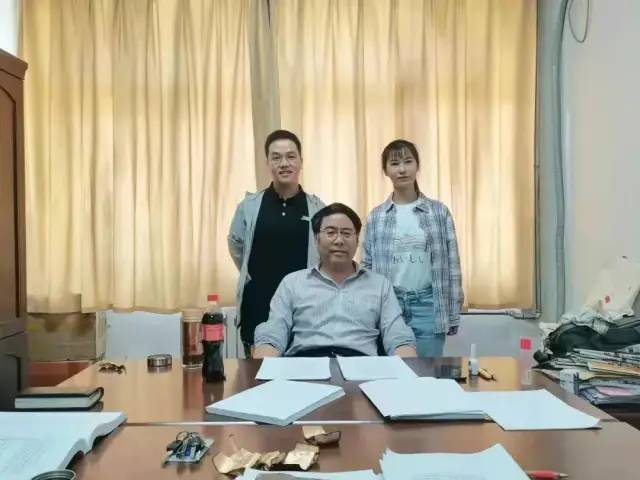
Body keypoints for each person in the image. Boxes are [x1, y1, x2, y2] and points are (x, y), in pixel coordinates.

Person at [253, 203, 417, 358]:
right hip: (306, 364)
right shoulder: (292, 283)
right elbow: (274, 333)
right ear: (316, 238)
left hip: (361, 365)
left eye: (346, 233)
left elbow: (398, 336)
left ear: (357, 239)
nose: (339, 241)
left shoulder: (380, 285)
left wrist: (407, 369)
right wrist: (263, 367)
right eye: (330, 232)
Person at [362, 139, 464, 357]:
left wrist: (453, 311)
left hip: (428, 304)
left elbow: (452, 264)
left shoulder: (438, 212)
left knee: (426, 371)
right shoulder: (376, 216)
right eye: (394, 163)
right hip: (389, 305)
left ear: (417, 166)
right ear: (385, 171)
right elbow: (367, 266)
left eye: (408, 161)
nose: (402, 169)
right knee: (390, 371)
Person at [228, 130, 324, 357]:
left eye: (291, 156)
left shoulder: (318, 209)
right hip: (258, 309)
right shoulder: (249, 206)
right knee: (257, 375)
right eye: (276, 157)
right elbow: (236, 244)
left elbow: (325, 254)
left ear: (301, 161)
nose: (284, 163)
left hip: (303, 311)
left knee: (305, 374)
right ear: (267, 163)